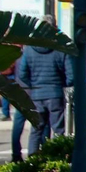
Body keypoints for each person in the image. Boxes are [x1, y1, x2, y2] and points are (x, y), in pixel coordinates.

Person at [15, 19, 74, 156]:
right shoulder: (60, 48)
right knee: (58, 129)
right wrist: (62, 84)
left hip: (36, 95)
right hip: (55, 94)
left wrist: (33, 86)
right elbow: (71, 76)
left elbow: (22, 74)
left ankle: (33, 161)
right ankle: (58, 159)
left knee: (36, 130)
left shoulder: (29, 49)